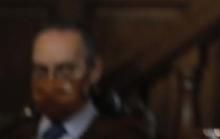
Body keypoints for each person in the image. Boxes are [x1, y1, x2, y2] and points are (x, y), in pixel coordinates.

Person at [3, 22, 148, 139]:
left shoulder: (125, 135)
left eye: (65, 70)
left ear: (94, 71)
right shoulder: (14, 132)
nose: (50, 83)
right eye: (41, 70)